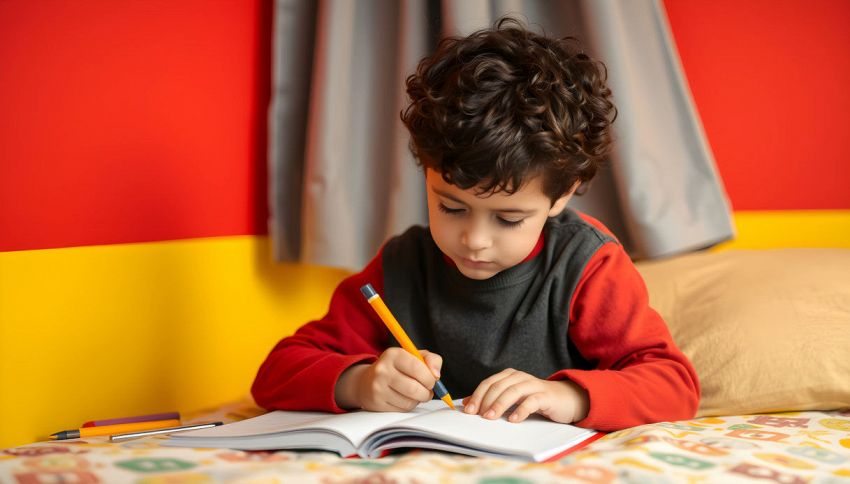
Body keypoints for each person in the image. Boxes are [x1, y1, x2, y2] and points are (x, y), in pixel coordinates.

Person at [252, 18, 699, 431]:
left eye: (508, 219)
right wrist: (359, 383)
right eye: (451, 208)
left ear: (562, 195)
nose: (474, 241)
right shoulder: (402, 265)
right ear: (426, 173)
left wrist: (568, 396)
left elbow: (674, 386)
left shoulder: (587, 265)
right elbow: (275, 374)